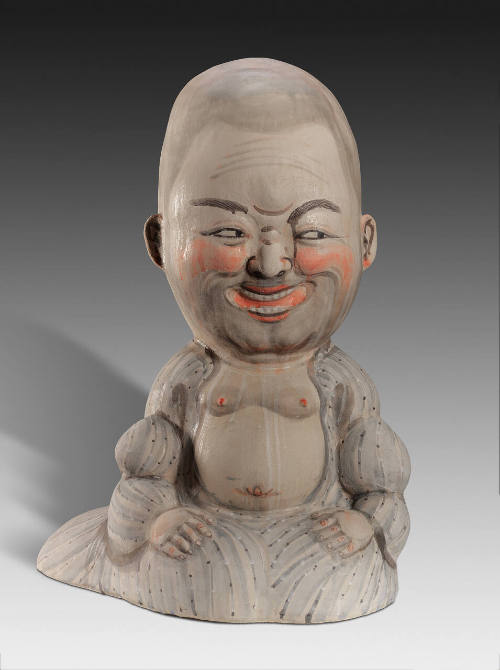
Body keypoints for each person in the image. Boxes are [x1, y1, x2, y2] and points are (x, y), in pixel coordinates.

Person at [38, 58, 410, 623]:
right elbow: (147, 472)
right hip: (203, 540)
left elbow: (380, 484)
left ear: (364, 243)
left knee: (342, 577)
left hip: (317, 541)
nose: (271, 264)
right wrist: (159, 519)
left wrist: (367, 525)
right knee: (198, 574)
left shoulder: (340, 384)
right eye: (229, 232)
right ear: (161, 241)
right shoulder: (189, 378)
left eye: (311, 232)